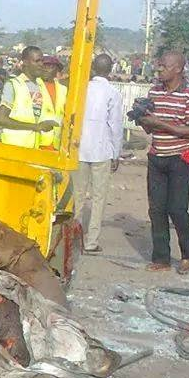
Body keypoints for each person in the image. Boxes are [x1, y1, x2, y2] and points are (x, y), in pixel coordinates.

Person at [136, 51, 189, 274]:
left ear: (178, 69)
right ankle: (161, 258)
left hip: (180, 157)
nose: (159, 69)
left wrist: (159, 123)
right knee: (156, 210)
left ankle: (188, 253)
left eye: (163, 66)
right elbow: (150, 128)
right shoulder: (154, 92)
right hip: (157, 156)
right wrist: (142, 119)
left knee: (177, 209)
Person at [75, 53, 124, 254]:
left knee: (77, 196)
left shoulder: (81, 89)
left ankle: (74, 238)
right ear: (110, 70)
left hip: (79, 148)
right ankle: (91, 241)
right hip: (102, 149)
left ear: (93, 68)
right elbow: (115, 126)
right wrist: (116, 152)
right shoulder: (113, 93)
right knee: (98, 197)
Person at [0, 46, 59, 149]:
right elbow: (2, 119)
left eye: (42, 61)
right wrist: (36, 127)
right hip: (13, 147)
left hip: (33, 148)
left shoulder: (41, 86)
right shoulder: (13, 85)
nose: (41, 64)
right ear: (25, 62)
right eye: (37, 61)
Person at [39, 55, 67, 150]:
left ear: (57, 70)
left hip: (56, 143)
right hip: (39, 141)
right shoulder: (35, 86)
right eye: (44, 66)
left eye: (50, 67)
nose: (46, 69)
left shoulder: (63, 90)